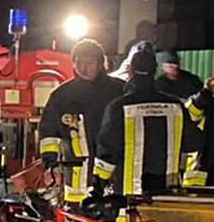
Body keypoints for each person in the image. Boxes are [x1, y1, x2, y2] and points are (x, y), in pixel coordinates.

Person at [93, 50, 203, 198]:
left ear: (131, 71)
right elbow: (193, 143)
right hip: (167, 195)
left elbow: (107, 152)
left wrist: (98, 186)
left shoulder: (118, 107)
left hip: (129, 199)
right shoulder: (176, 106)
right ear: (155, 70)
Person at [36, 38, 125, 203]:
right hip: (77, 182)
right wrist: (51, 164)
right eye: (79, 62)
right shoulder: (61, 96)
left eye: (89, 63)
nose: (83, 68)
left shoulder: (119, 91)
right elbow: (48, 134)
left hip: (115, 180)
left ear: (101, 63)